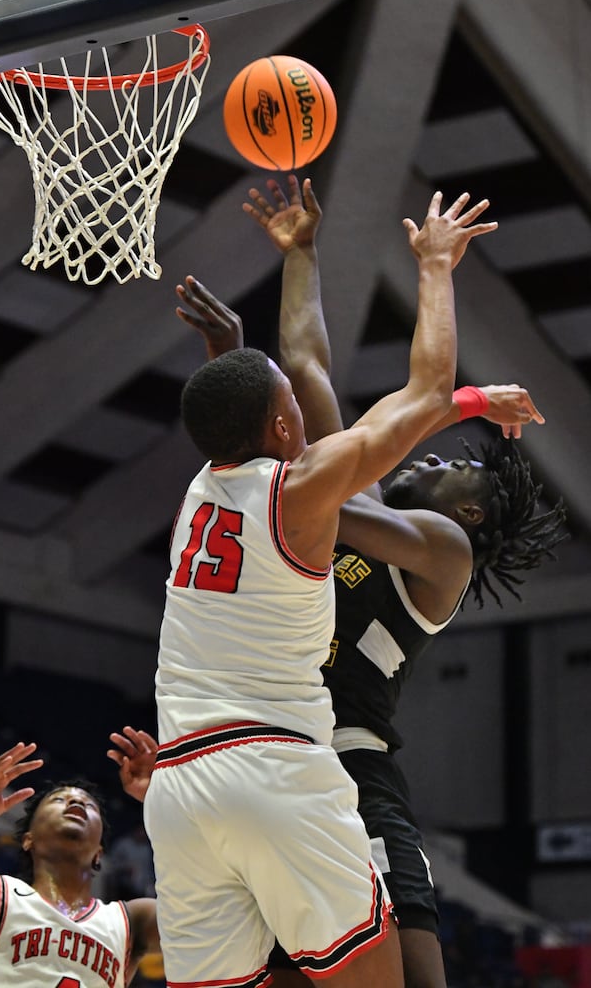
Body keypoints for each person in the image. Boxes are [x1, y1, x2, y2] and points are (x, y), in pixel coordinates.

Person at [143, 187, 499, 988]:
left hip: (181, 789)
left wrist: (281, 284)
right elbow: (423, 388)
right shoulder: (305, 493)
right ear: (279, 428)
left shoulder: (203, 489)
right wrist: (437, 268)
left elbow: (281, 381)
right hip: (278, 769)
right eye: (286, 408)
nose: (301, 410)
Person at [233, 175, 566, 988]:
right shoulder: (369, 497)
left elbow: (340, 491)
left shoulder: (441, 553)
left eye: (463, 474)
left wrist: (439, 284)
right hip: (276, 768)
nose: (445, 463)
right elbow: (308, 362)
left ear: (474, 518)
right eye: (452, 451)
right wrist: (301, 254)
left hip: (353, 770)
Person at [0, 741, 159, 988]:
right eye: (58, 800)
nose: (76, 803)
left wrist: (165, 804)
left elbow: (199, 922)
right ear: (29, 840)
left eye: (89, 805)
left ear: (99, 853)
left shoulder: (133, 920)